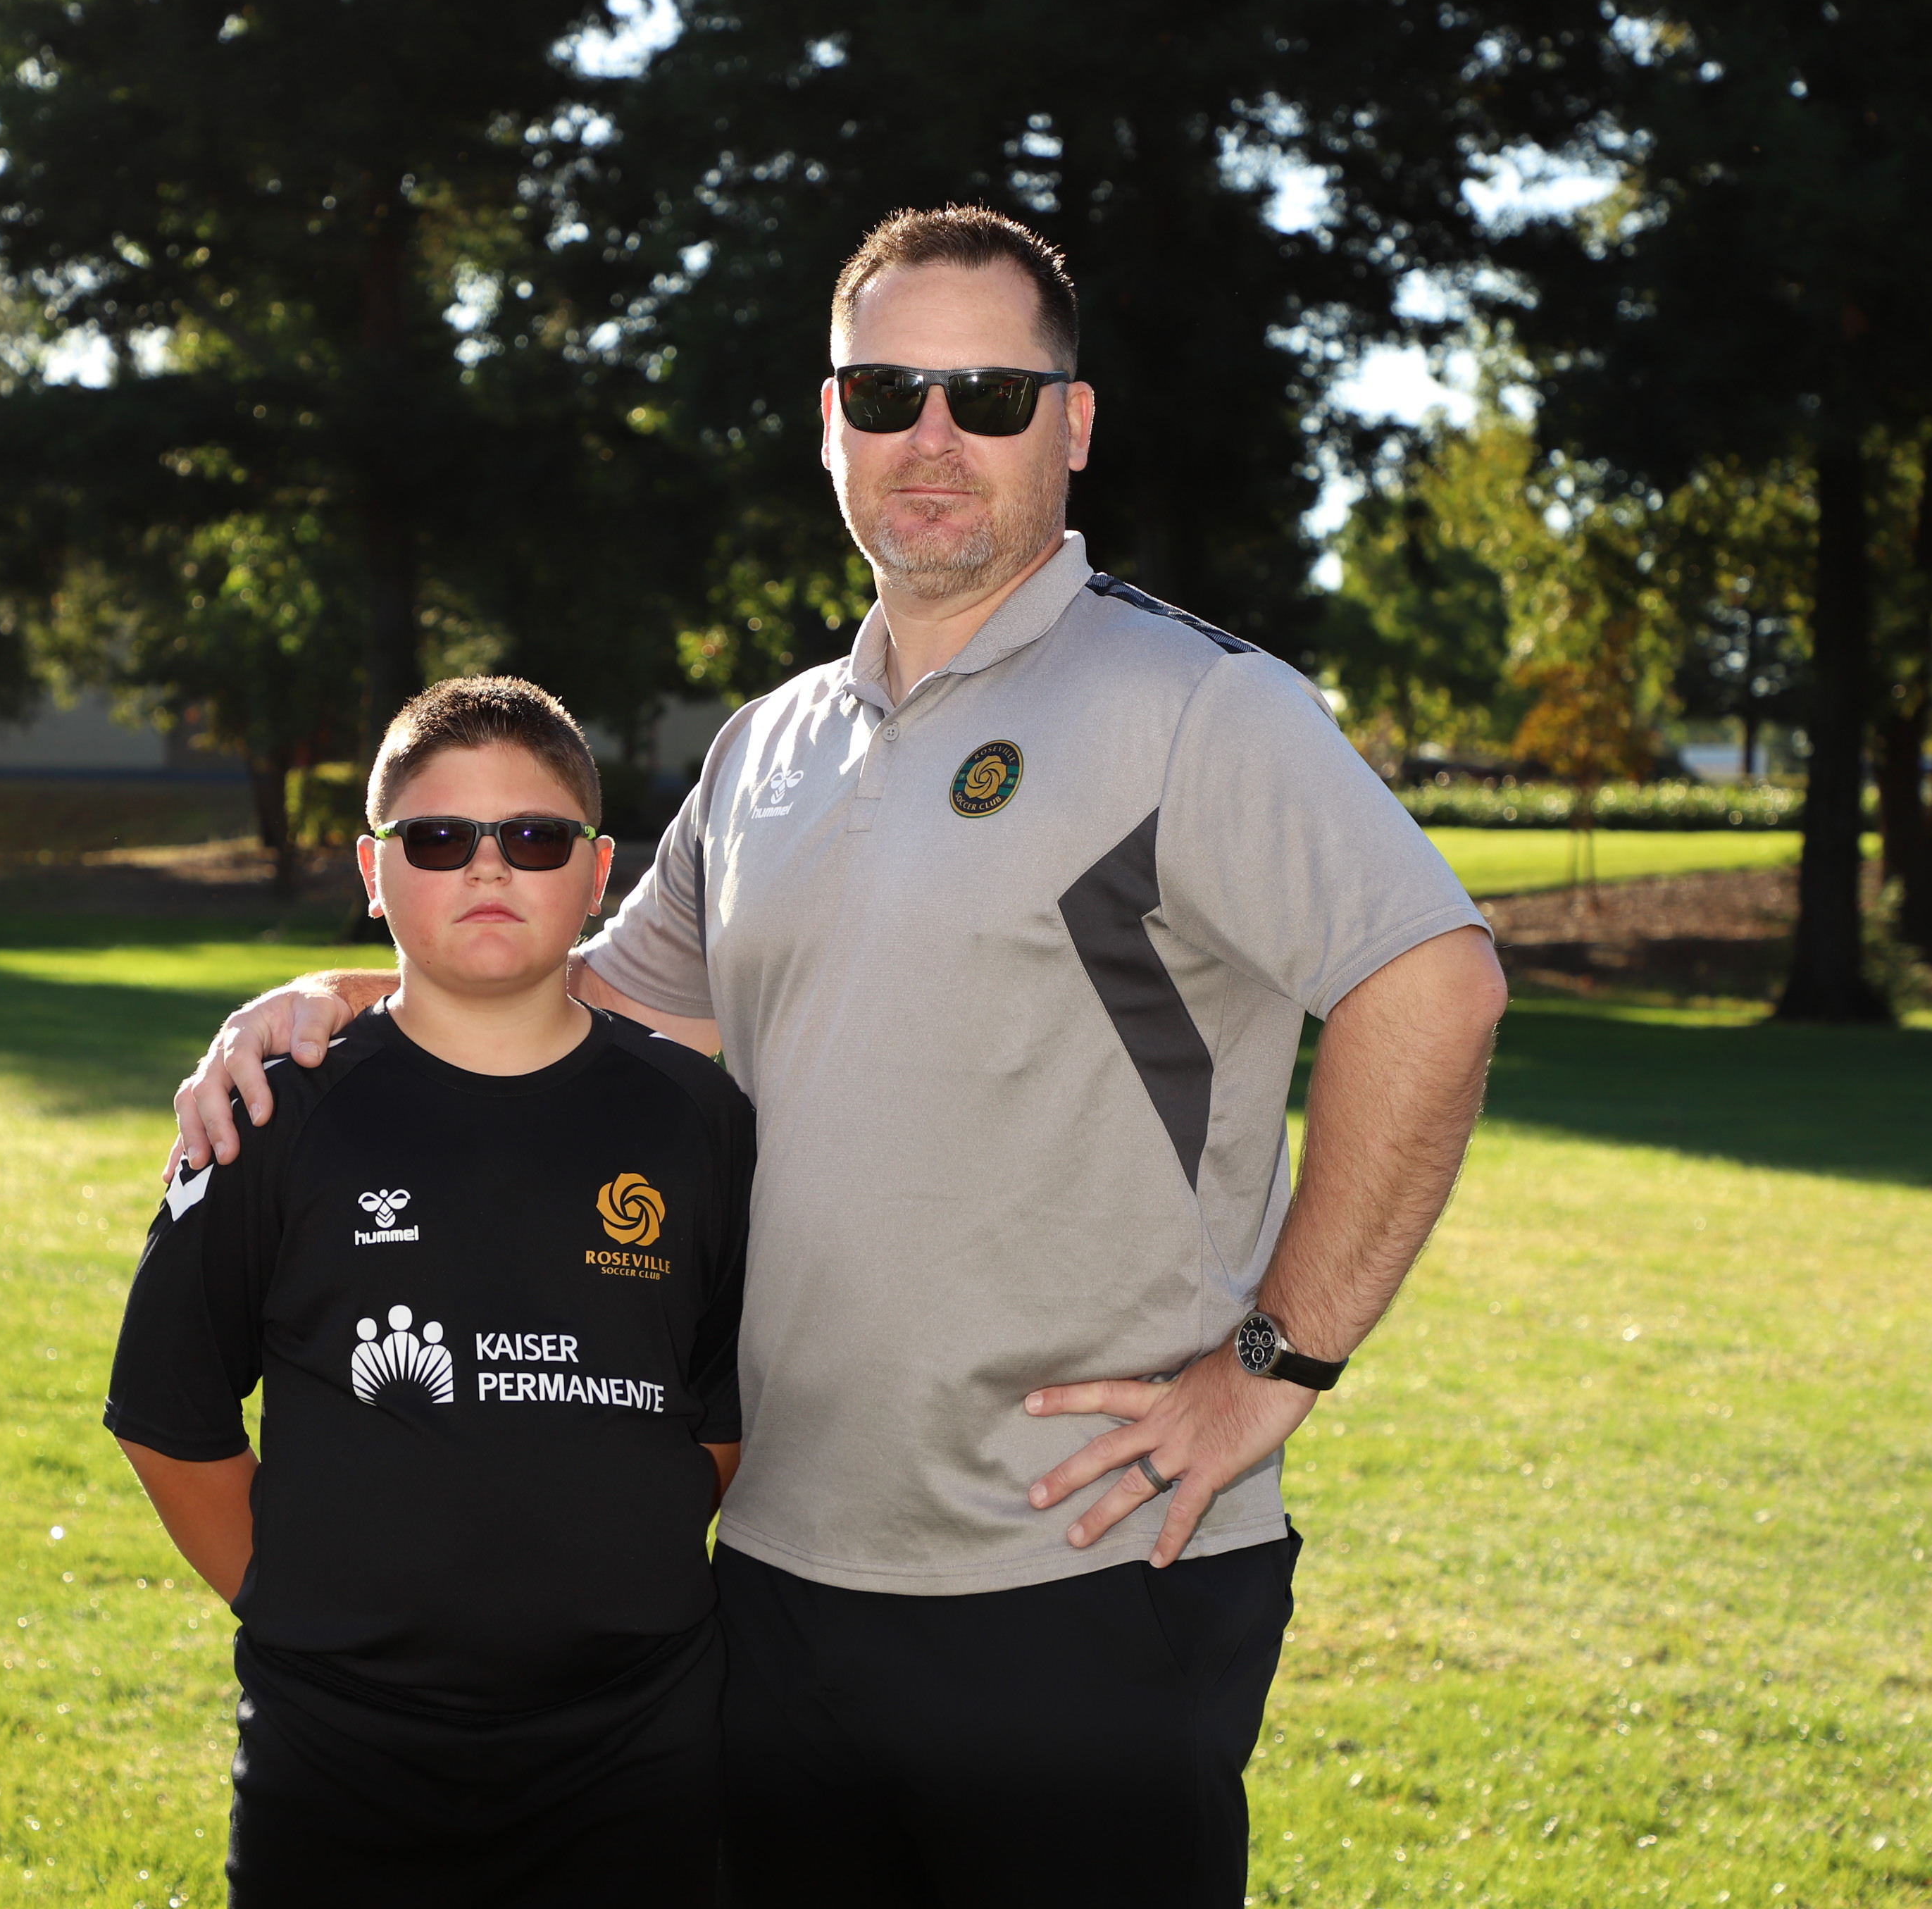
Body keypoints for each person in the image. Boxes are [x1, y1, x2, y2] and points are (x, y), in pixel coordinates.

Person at [171, 206, 1510, 1903]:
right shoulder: (768, 749)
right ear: (830, 425)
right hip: (774, 1574)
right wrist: (331, 999)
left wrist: (1273, 1364)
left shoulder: (1194, 708)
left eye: (988, 396)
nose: (932, 436)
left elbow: (1432, 985)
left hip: (1080, 1570)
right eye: (886, 393)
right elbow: (591, 1016)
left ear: (1073, 426)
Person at [106, 676, 754, 1905]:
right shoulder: (273, 1113)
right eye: (441, 838)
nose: (489, 867)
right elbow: (166, 1414)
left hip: (635, 1743)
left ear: (599, 872)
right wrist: (295, 1604)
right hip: (341, 1752)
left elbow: (721, 1408)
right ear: (373, 869)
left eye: (536, 837)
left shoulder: (696, 1118)